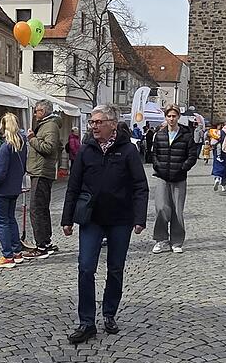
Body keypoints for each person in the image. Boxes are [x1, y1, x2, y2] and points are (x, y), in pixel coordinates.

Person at [61, 105, 149, 344]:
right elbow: (73, 186)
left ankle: (109, 313)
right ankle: (87, 321)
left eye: (99, 122)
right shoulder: (86, 151)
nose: (94, 126)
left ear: (112, 123)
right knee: (86, 268)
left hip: (120, 219)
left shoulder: (128, 150)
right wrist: (67, 219)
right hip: (91, 219)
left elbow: (140, 186)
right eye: (92, 122)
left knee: (115, 269)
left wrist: (139, 218)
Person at [151, 104, 198, 254]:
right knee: (161, 208)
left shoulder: (186, 135)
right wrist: (158, 166)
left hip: (179, 178)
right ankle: (161, 239)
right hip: (162, 176)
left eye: (174, 116)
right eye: (169, 116)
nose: (171, 119)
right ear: (166, 117)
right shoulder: (160, 135)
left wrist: (183, 167)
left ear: (178, 117)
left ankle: (176, 241)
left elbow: (192, 155)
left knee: (177, 210)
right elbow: (155, 154)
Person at [0, 113, 28, 268]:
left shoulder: (6, 146)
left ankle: (7, 255)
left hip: (1, 190)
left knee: (2, 222)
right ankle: (17, 252)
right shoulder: (21, 144)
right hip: (13, 188)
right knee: (10, 220)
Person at [23, 100, 61, 259]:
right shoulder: (47, 124)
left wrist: (32, 138)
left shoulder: (50, 125)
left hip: (42, 171)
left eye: (37, 110)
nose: (35, 113)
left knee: (37, 209)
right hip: (39, 170)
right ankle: (45, 241)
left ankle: (42, 245)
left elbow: (49, 148)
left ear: (44, 111)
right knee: (41, 208)